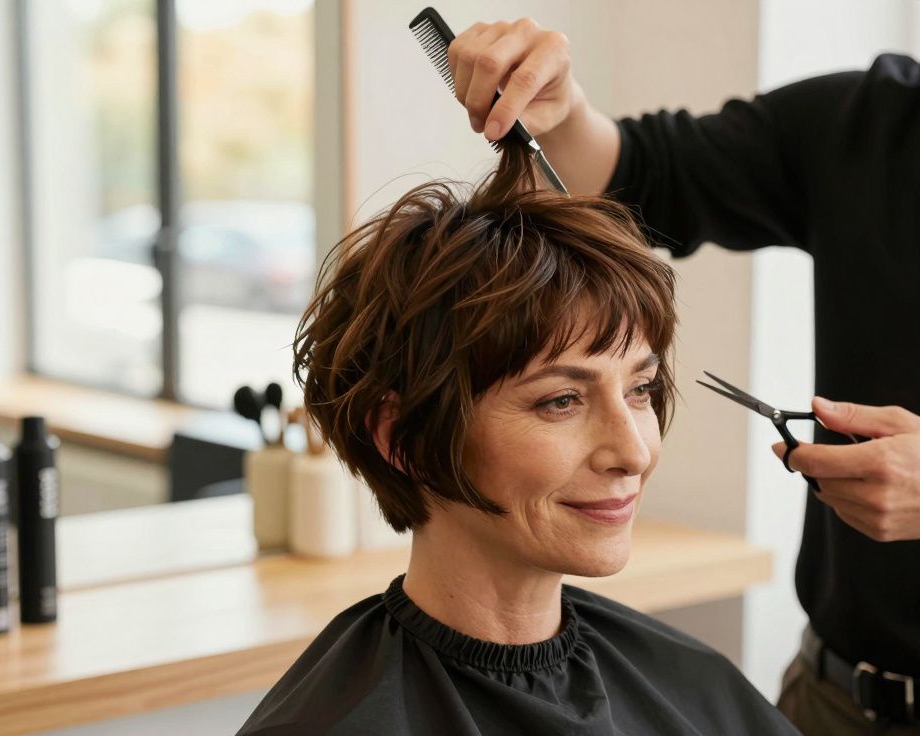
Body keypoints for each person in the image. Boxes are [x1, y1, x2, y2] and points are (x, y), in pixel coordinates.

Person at [444, 2, 920, 731]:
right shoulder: (864, 124)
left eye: (642, 388)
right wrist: (561, 114)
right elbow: (639, 177)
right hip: (829, 701)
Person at [237, 145, 798, 735]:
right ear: (401, 436)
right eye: (562, 400)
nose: (633, 452)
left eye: (640, 389)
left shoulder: (692, 682)